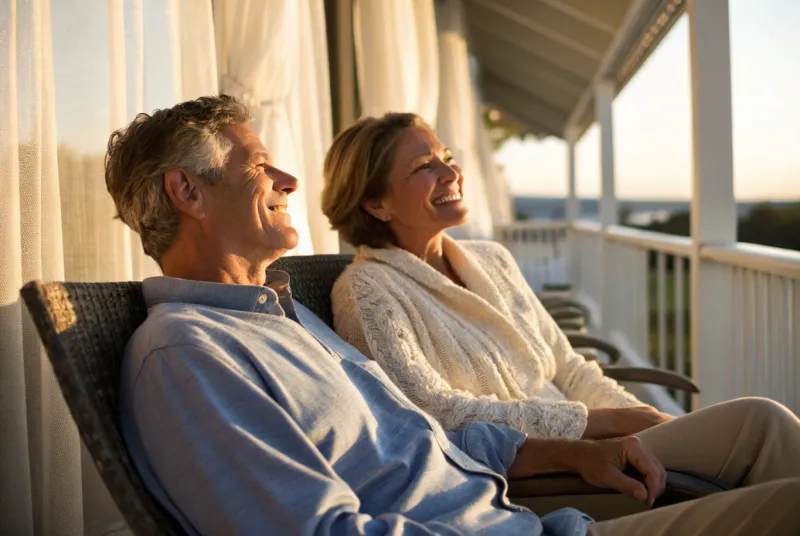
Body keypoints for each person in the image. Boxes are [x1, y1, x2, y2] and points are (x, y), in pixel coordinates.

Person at [106, 95, 800, 536]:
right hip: (518, 521)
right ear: (188, 191)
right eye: (261, 166)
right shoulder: (188, 356)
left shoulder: (285, 318)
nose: (290, 181)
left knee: (765, 429)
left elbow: (427, 436)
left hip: (530, 512)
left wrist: (575, 451)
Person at [322, 113, 800, 458]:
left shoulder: (491, 260)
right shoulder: (367, 294)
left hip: (611, 448)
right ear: (375, 204)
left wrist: (648, 422)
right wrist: (601, 424)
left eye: (446, 158)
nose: (451, 173)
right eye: (424, 167)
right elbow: (429, 413)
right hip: (547, 475)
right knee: (761, 422)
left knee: (762, 435)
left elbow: (568, 368)